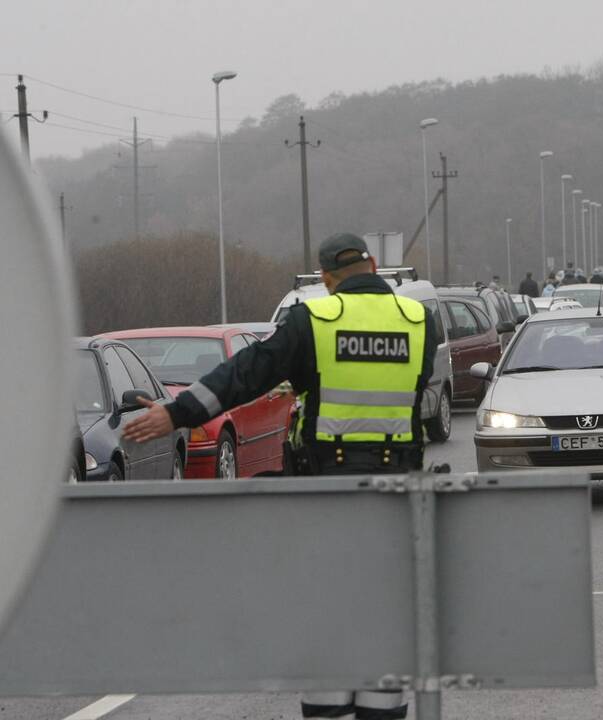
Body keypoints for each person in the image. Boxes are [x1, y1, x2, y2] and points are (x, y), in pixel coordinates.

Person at [122, 232, 437, 720]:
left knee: (321, 609)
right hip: (397, 492)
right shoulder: (420, 321)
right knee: (381, 613)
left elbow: (246, 374)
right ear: (374, 265)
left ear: (327, 278)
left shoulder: (313, 319)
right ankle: (383, 708)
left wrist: (176, 413)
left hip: (323, 491)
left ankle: (328, 708)